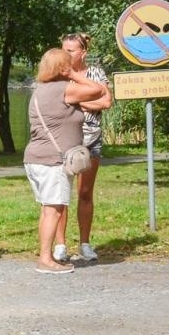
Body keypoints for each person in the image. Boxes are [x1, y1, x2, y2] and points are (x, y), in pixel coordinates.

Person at [23, 47, 109, 273]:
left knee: (48, 209)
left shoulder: (41, 90)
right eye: (67, 64)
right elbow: (98, 89)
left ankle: (47, 255)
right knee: (53, 210)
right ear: (62, 67)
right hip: (53, 161)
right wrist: (74, 74)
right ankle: (45, 260)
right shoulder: (63, 89)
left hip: (36, 157)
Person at [54, 33, 114, 262]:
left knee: (85, 192)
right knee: (61, 194)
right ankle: (60, 245)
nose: (66, 54)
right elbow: (58, 103)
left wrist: (76, 102)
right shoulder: (58, 75)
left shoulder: (96, 73)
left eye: (70, 50)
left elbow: (106, 102)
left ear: (83, 53)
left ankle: (85, 244)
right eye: (63, 50)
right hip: (65, 139)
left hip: (91, 139)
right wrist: (90, 103)